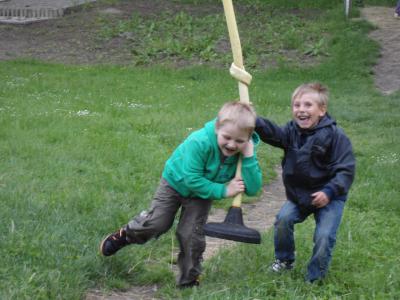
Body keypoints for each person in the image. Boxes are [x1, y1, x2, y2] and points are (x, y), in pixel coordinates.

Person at [100, 101, 262, 288]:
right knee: (158, 222)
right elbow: (191, 179)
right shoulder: (199, 141)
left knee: (192, 235)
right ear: (217, 127)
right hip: (176, 183)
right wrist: (224, 190)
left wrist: (249, 156)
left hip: (201, 194)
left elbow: (253, 188)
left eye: (240, 141)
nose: (232, 145)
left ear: (248, 139)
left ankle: (189, 280)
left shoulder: (243, 151)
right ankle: (126, 235)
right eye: (227, 137)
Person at [255, 82, 355, 283]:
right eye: (297, 105)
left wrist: (329, 191)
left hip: (330, 196)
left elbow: (345, 170)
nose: (301, 110)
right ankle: (284, 260)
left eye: (308, 105)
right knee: (283, 220)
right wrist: (255, 121)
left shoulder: (336, 136)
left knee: (324, 235)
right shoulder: (291, 131)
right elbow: (274, 133)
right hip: (300, 195)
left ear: (322, 110)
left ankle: (315, 277)